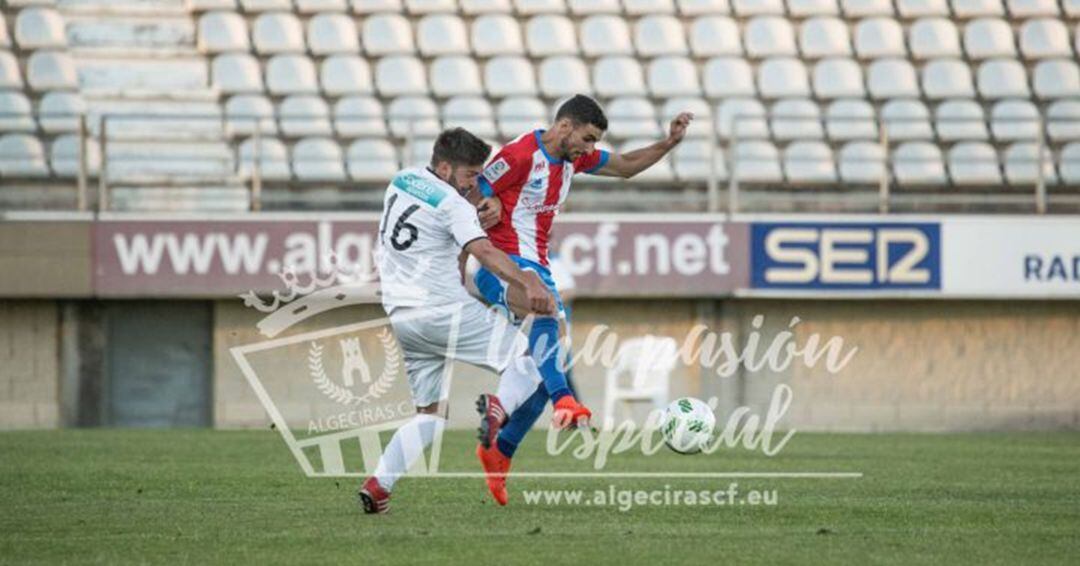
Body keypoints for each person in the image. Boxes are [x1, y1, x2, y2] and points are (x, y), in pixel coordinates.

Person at [468, 94, 693, 505]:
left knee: (548, 360)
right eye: (587, 139)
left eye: (594, 143)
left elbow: (624, 167)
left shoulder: (573, 160)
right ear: (565, 126)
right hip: (501, 265)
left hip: (537, 269)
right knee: (549, 319)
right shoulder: (519, 155)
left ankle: (500, 451)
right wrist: (488, 203)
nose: (590, 149)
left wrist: (669, 144)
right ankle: (565, 401)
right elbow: (467, 196)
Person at [358, 128, 557, 514]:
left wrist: (476, 211)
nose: (474, 183)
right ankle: (498, 409)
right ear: (446, 167)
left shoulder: (401, 180)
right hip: (442, 310)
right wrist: (526, 280)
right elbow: (482, 250)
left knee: (430, 416)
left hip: (402, 317)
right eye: (469, 175)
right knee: (527, 359)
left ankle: (379, 485)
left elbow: (443, 232)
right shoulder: (455, 206)